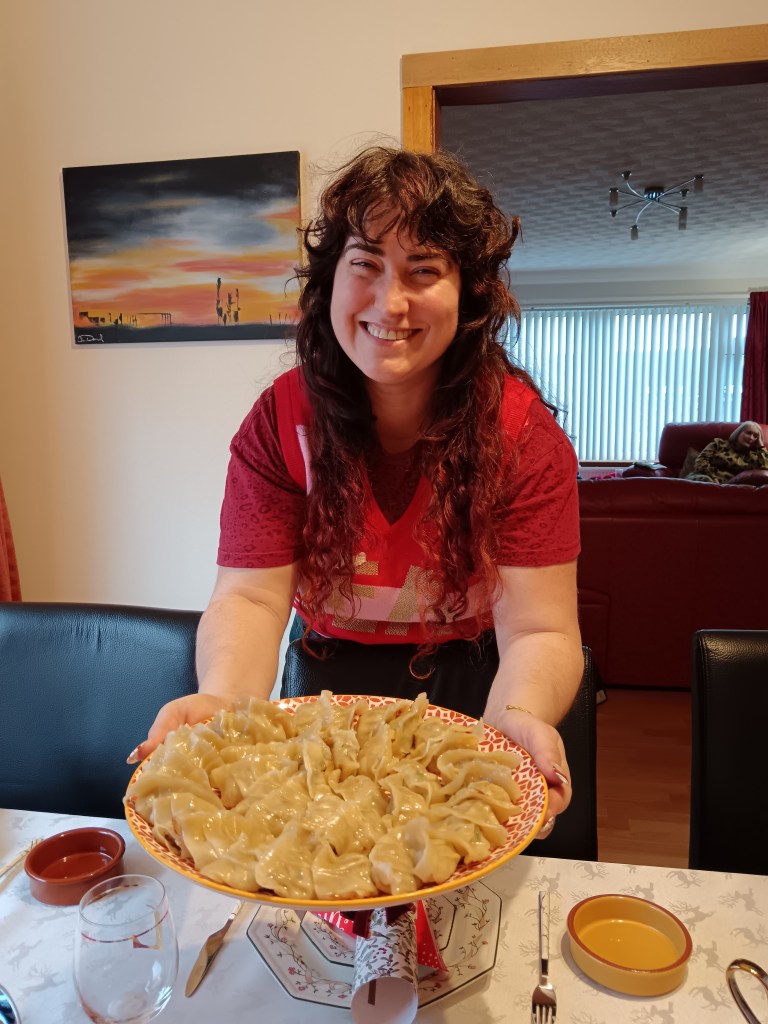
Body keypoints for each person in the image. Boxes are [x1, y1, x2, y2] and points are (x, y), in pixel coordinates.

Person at [129, 146, 583, 835]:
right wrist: (222, 698)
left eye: (424, 270)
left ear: (468, 293)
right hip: (323, 675)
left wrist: (518, 717)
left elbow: (539, 628)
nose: (389, 302)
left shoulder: (521, 436)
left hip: (479, 684)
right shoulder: (281, 423)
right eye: (365, 264)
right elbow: (251, 597)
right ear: (330, 281)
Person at [687, 421, 768, 483]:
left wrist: (761, 446)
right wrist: (713, 479)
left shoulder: (755, 456)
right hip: (703, 477)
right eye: (748, 433)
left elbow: (766, 467)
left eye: (755, 436)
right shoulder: (719, 443)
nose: (751, 438)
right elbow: (701, 461)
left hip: (727, 487)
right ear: (738, 432)